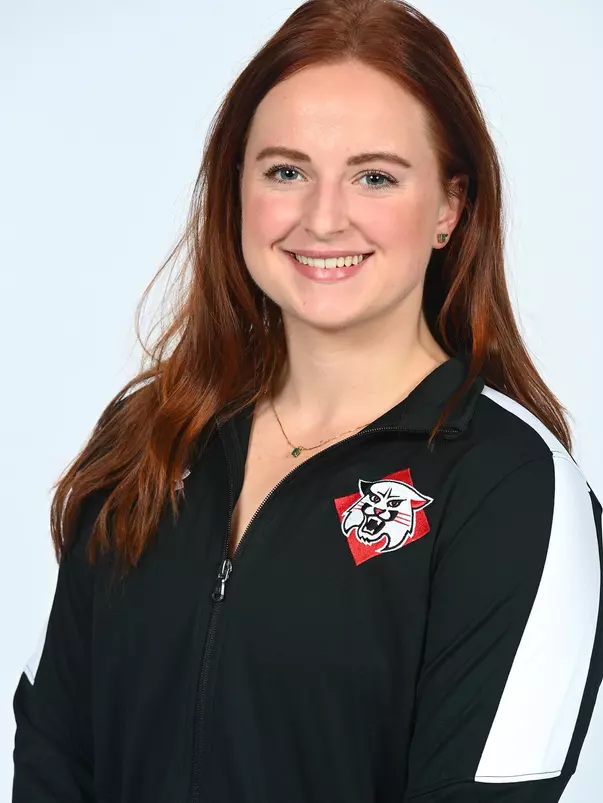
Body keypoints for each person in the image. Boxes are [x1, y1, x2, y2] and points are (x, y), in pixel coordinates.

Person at [12, 0, 602, 801]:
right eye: (286, 170)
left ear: (448, 208)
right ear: (237, 189)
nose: (322, 218)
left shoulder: (512, 488)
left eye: (375, 176)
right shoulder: (152, 435)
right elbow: (55, 762)